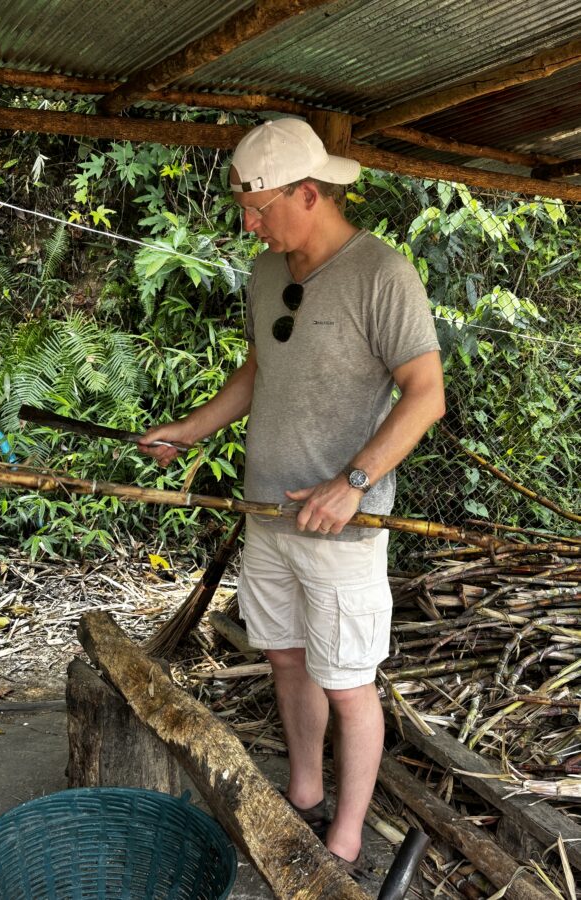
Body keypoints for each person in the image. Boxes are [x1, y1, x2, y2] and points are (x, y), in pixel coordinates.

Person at [140, 118, 445, 874]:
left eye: (259, 209)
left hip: (342, 527)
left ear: (308, 193)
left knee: (348, 684)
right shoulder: (266, 271)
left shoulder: (382, 274)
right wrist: (191, 429)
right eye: (245, 209)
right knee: (285, 659)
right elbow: (258, 370)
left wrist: (352, 483)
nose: (249, 225)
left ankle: (345, 839)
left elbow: (425, 394)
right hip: (266, 512)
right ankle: (304, 793)